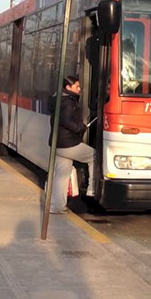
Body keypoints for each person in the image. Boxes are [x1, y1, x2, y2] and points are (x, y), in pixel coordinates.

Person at [48, 76, 96, 214]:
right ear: (68, 87)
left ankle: (57, 206)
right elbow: (66, 120)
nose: (79, 89)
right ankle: (92, 189)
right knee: (94, 156)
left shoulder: (58, 99)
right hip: (68, 144)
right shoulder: (68, 102)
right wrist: (80, 128)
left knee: (61, 176)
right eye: (77, 86)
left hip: (57, 144)